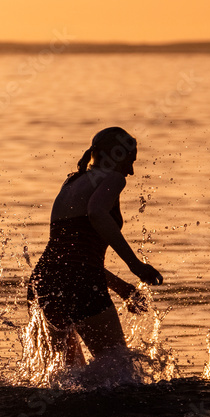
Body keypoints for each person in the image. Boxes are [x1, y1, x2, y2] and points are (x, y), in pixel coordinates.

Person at [27, 127, 163, 368]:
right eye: (130, 162)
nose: (131, 172)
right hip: (79, 282)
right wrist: (136, 266)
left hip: (44, 280)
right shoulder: (112, 178)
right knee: (118, 370)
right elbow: (97, 213)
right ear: (117, 156)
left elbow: (71, 257)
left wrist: (122, 288)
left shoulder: (70, 184)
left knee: (68, 377)